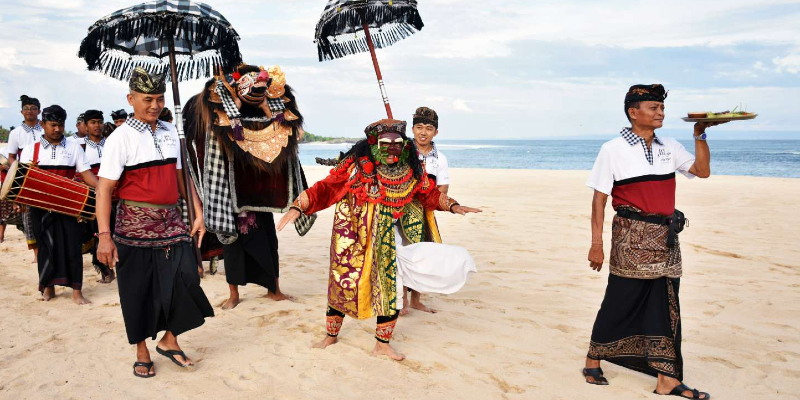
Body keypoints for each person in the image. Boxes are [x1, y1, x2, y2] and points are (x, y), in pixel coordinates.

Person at [277, 118, 481, 361]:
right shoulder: (356, 166)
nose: (392, 147)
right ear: (374, 142)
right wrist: (298, 206)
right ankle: (331, 335)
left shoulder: (410, 167)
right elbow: (327, 188)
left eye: (398, 142)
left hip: (389, 241)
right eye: (386, 142)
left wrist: (452, 205)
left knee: (390, 289)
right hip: (355, 237)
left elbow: (428, 193)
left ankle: (382, 344)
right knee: (344, 283)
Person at [582, 84, 722, 399]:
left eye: (662, 108)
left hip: (666, 238)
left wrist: (699, 134)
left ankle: (666, 378)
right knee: (621, 300)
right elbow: (599, 200)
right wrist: (597, 243)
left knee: (667, 303)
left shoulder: (670, 145)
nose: (660, 113)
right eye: (653, 108)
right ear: (634, 112)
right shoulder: (613, 149)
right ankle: (593, 358)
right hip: (629, 238)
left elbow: (702, 171)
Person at [96, 67, 213, 379]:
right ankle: (141, 350)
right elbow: (104, 188)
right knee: (137, 288)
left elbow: (182, 177)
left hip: (172, 221)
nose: (155, 105)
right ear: (131, 99)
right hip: (133, 224)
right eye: (148, 99)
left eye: (160, 99)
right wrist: (104, 236)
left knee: (188, 276)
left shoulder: (170, 132)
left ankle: (169, 339)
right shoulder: (120, 137)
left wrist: (198, 211)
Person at [184, 64, 314, 309]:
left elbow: (289, 131)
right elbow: (213, 140)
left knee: (267, 244)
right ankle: (234, 294)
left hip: (259, 193)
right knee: (232, 246)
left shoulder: (269, 105)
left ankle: (274, 290)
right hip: (232, 194)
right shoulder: (217, 107)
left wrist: (265, 108)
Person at [18, 105, 98, 304]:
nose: (57, 129)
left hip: (69, 207)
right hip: (40, 208)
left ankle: (77, 292)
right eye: (53, 125)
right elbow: (22, 180)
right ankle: (48, 288)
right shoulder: (31, 149)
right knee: (45, 248)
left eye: (61, 125)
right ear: (43, 124)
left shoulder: (73, 148)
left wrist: (102, 190)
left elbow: (86, 173)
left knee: (73, 247)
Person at [401, 106, 452, 315]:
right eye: (419, 127)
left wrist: (426, 196)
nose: (423, 132)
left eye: (429, 128)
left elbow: (443, 189)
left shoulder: (440, 158)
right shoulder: (402, 152)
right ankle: (402, 301)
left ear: (435, 132)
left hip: (425, 212)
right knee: (402, 254)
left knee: (424, 255)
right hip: (400, 210)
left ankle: (416, 300)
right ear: (412, 129)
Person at [80, 110, 115, 283]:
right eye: (93, 122)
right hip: (92, 197)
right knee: (97, 233)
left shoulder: (112, 143)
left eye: (100, 122)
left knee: (116, 231)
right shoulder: (79, 146)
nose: (97, 125)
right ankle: (105, 270)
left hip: (115, 194)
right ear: (85, 125)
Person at [7, 95, 43, 259]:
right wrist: (18, 174)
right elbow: (12, 156)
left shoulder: (45, 129)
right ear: (21, 112)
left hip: (45, 175)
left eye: (33, 108)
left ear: (39, 111)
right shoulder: (16, 133)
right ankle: (37, 252)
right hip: (25, 177)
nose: (30, 111)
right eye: (26, 108)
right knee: (28, 215)